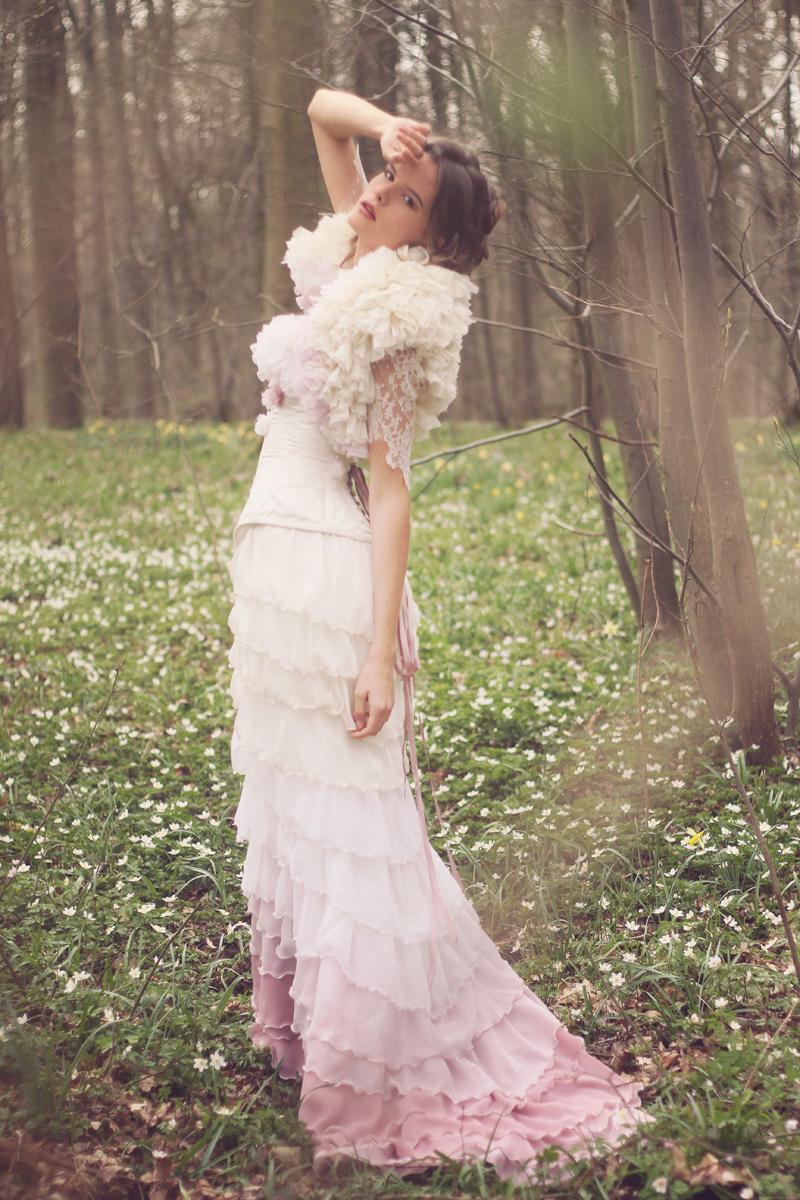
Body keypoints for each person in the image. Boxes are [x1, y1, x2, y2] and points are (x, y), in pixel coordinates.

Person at [228, 88, 650, 1181]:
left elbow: (393, 489)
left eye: (405, 195)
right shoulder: (343, 265)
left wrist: (379, 650)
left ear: (431, 236)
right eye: (385, 180)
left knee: (352, 813)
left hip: (329, 570)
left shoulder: (393, 315)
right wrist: (385, 126)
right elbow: (319, 114)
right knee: (299, 805)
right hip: (272, 565)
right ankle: (320, 1034)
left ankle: (379, 1061)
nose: (378, 191)